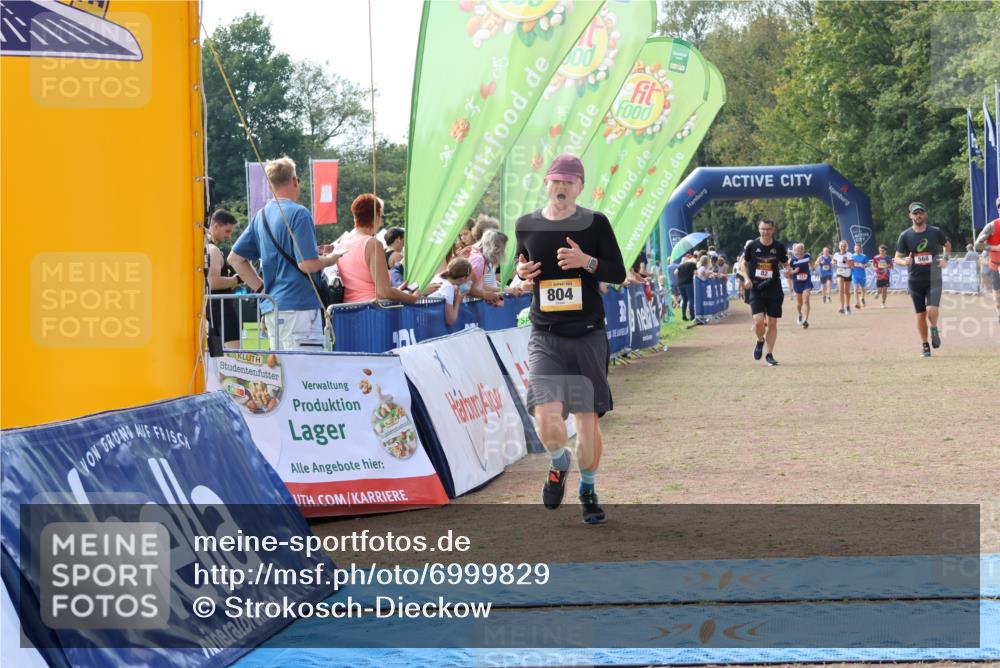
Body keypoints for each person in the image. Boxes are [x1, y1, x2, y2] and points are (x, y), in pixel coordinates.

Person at [514, 154, 626, 525]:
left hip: (587, 335)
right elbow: (520, 267)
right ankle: (559, 462)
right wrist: (521, 272)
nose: (561, 187)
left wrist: (586, 261)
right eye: (555, 181)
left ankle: (589, 489)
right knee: (546, 419)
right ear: (545, 184)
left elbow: (618, 272)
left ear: (580, 187)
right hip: (545, 335)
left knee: (586, 420)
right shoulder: (526, 224)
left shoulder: (596, 223)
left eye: (569, 182)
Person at [229, 157, 344, 351]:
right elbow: (306, 264)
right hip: (300, 306)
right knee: (305, 374)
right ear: (294, 180)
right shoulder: (300, 213)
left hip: (274, 306)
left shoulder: (261, 216)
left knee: (283, 373)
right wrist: (331, 259)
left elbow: (235, 259)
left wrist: (261, 289)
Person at [336, 194, 420, 305]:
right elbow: (384, 291)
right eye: (382, 216)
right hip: (373, 313)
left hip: (349, 310)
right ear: (376, 216)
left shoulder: (343, 242)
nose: (381, 222)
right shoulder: (373, 244)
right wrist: (413, 298)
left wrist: (398, 291)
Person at [894, 201, 950, 357]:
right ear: (910, 215)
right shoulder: (905, 236)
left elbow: (947, 245)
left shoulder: (935, 232)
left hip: (934, 277)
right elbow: (896, 258)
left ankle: (933, 327)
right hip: (915, 280)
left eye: (921, 212)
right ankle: (925, 345)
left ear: (925, 214)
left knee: (932, 309)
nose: (918, 215)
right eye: (915, 213)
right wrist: (904, 261)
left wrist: (946, 259)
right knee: (920, 315)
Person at [740, 218, 788, 366]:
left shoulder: (779, 246)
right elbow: (744, 263)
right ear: (759, 230)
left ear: (773, 230)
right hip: (756, 287)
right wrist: (746, 278)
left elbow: (785, 262)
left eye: (768, 229)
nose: (765, 232)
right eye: (762, 229)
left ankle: (769, 354)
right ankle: (760, 340)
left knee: (772, 323)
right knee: (759, 321)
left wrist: (788, 269)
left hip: (774, 287)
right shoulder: (752, 246)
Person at [206, 209, 241, 348]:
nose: (230, 236)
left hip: (213, 312)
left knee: (217, 359)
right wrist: (236, 280)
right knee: (233, 358)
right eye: (227, 231)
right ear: (216, 227)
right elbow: (213, 282)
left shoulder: (206, 248)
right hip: (221, 311)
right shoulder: (212, 250)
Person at [974, 196, 1000, 323]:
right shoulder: (991, 226)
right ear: (998, 210)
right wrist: (996, 247)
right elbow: (977, 245)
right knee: (998, 297)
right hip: (996, 265)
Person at [429, 257, 472, 326]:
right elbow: (450, 320)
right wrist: (458, 300)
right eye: (469, 277)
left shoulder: (439, 277)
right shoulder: (448, 287)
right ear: (464, 278)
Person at [469, 228, 507, 305]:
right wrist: (486, 295)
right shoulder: (478, 259)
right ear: (495, 247)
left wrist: (490, 297)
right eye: (503, 247)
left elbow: (477, 286)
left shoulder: (479, 257)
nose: (503, 251)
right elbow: (466, 287)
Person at [787, 242, 813, 328]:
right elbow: (788, 271)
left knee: (806, 300)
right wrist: (794, 271)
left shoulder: (807, 256)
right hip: (797, 283)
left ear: (803, 250)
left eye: (802, 249)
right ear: (795, 250)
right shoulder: (792, 260)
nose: (800, 250)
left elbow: (812, 264)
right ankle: (799, 313)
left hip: (807, 281)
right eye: (798, 249)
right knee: (799, 303)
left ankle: (806, 320)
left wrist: (812, 267)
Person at [832, 240, 853, 314]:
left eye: (844, 246)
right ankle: (841, 306)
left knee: (847, 291)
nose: (843, 247)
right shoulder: (836, 254)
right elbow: (833, 261)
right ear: (839, 247)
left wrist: (847, 261)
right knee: (841, 289)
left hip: (847, 271)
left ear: (846, 247)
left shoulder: (849, 254)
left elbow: (851, 265)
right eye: (841, 246)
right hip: (840, 271)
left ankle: (848, 306)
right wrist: (833, 263)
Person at [676, 253, 697, 321]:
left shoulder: (681, 266)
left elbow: (675, 272)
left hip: (680, 284)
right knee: (691, 300)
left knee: (684, 300)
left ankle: (684, 316)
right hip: (689, 283)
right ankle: (692, 316)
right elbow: (696, 273)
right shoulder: (693, 264)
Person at [850, 243, 870, 309]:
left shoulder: (864, 256)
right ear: (854, 249)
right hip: (854, 275)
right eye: (856, 248)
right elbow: (848, 264)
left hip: (862, 275)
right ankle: (857, 303)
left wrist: (864, 265)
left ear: (861, 249)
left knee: (863, 289)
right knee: (855, 289)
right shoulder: (851, 256)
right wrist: (851, 265)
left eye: (858, 248)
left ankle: (862, 298)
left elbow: (868, 264)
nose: (857, 250)